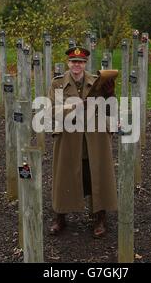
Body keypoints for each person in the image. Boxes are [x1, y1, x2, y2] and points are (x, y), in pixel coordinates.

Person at [48, 46, 117, 238]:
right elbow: (53, 110)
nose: (76, 65)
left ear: (85, 64)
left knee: (97, 175)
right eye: (73, 61)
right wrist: (76, 107)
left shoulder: (97, 82)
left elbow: (108, 108)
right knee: (64, 177)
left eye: (80, 62)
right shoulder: (58, 84)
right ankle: (60, 218)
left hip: (94, 138)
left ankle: (100, 218)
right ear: (68, 63)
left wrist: (110, 95)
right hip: (69, 138)